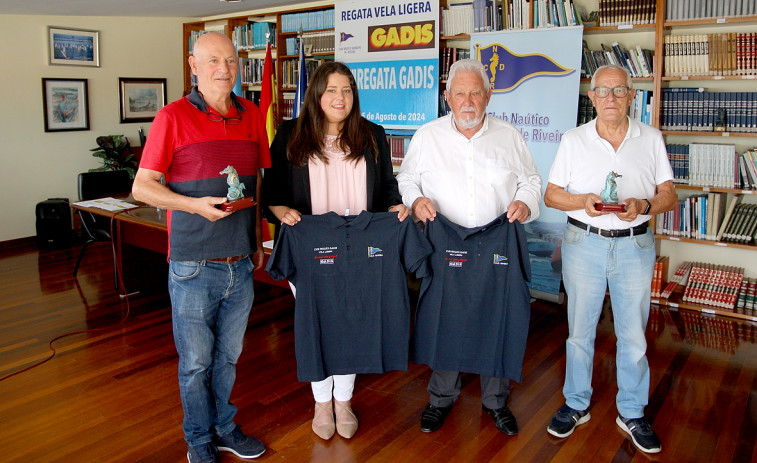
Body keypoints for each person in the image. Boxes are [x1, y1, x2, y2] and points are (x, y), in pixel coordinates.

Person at [131, 31, 270, 463]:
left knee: (227, 359)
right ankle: (198, 440)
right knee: (195, 363)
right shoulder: (171, 117)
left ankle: (224, 428)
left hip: (241, 262)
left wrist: (257, 239)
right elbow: (142, 188)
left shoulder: (251, 114)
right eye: (212, 61)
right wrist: (192, 204)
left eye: (230, 60)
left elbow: (258, 182)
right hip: (193, 265)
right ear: (193, 66)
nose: (223, 69)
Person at [261, 61, 412, 441]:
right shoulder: (291, 134)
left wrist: (396, 207)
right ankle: (320, 402)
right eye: (331, 89)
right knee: (317, 324)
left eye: (346, 90)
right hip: (310, 247)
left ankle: (342, 401)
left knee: (353, 321)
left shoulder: (373, 135)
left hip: (361, 248)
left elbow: (388, 190)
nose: (339, 97)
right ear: (316, 94)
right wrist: (281, 212)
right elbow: (273, 193)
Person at [396, 59, 542, 436]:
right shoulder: (427, 136)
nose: (467, 100)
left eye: (475, 92)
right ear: (447, 97)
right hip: (445, 239)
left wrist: (525, 201)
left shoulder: (509, 136)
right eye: (459, 93)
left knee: (498, 317)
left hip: (497, 239)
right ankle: (441, 397)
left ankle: (496, 402)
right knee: (446, 316)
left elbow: (531, 180)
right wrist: (415, 200)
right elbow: (407, 178)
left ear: (488, 95)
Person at [543, 64, 676, 454]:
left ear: (633, 95)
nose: (611, 98)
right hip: (584, 242)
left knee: (633, 334)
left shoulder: (651, 138)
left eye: (619, 91)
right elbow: (551, 196)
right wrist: (583, 201)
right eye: (603, 91)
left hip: (635, 245)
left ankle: (632, 411)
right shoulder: (573, 139)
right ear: (592, 96)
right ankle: (576, 404)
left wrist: (645, 204)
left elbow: (668, 195)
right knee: (579, 331)